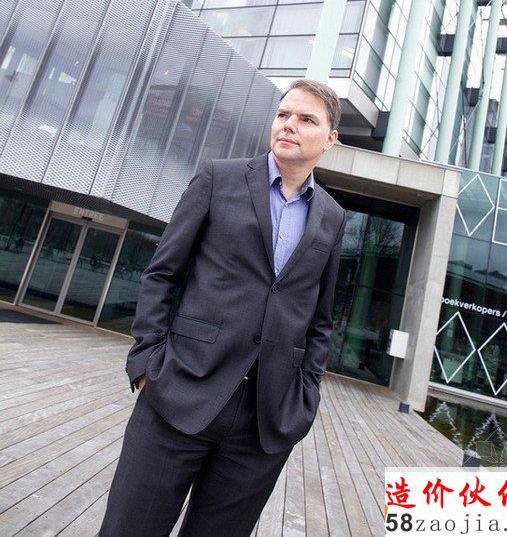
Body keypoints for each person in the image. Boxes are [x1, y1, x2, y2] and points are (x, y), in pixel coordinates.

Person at [99, 79, 347, 536]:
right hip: (179, 393)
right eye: (284, 114)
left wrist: (304, 399)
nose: (288, 125)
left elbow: (320, 319)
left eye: (305, 119)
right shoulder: (218, 177)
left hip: (265, 423)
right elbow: (162, 273)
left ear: (330, 139)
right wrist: (147, 362)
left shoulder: (332, 216)